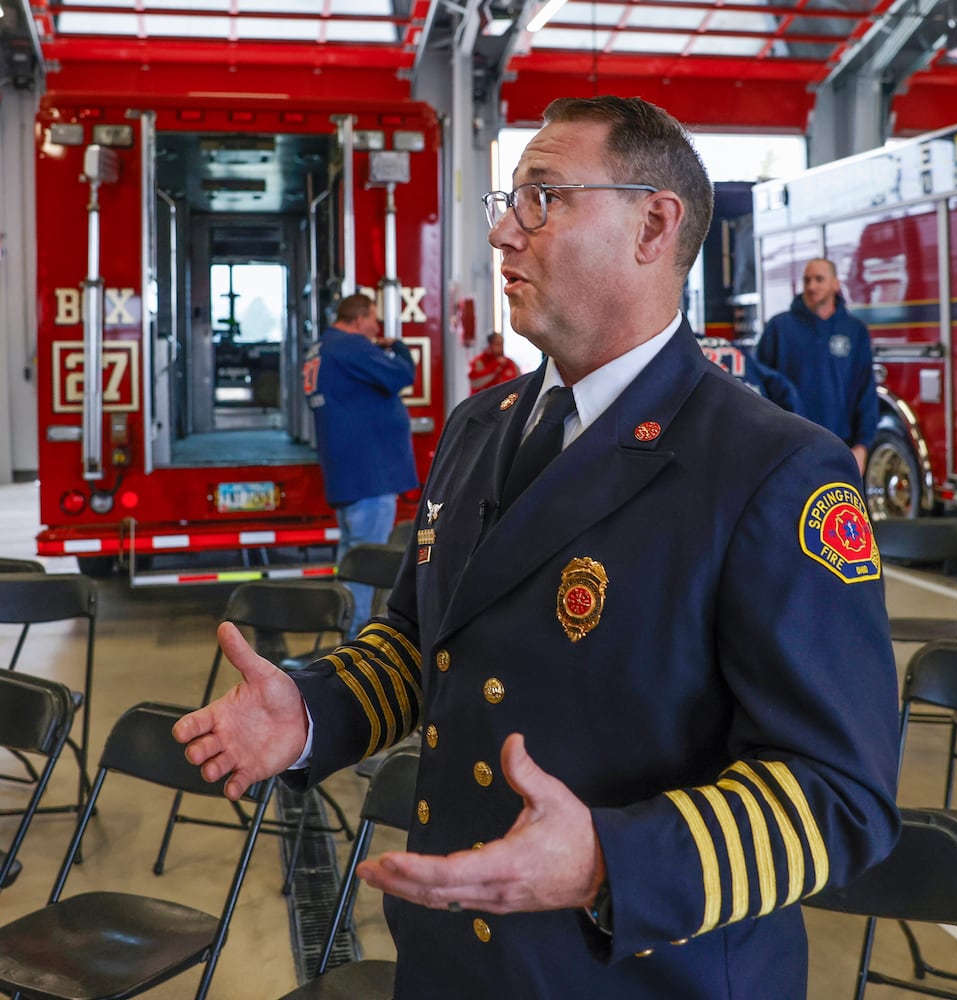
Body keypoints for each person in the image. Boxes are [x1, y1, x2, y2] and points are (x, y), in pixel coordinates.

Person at [178, 96, 900, 997]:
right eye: (506, 204)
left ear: (653, 223)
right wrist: (315, 714)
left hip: (631, 971)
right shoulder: (480, 427)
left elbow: (840, 795)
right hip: (452, 962)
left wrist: (611, 859)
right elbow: (420, 641)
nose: (505, 236)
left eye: (543, 198)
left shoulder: (775, 468)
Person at [302, 293, 419, 633]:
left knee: (352, 563)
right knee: (366, 566)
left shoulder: (322, 349)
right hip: (369, 476)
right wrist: (396, 346)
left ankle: (345, 639)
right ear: (358, 318)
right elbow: (400, 375)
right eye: (373, 319)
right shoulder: (350, 346)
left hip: (348, 476)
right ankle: (354, 650)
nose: (376, 328)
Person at [757, 257, 879, 474]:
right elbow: (759, 389)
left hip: (840, 447)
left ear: (835, 284)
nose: (812, 286)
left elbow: (866, 391)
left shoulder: (855, 330)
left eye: (819, 279)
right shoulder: (779, 328)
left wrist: (862, 446)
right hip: (790, 449)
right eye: (807, 280)